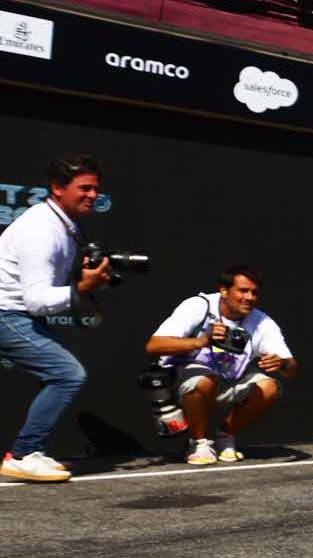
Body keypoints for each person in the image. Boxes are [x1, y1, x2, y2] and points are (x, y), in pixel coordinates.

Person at [0, 156, 117, 482]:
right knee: (67, 374)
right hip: (6, 313)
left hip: (15, 313)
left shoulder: (62, 224)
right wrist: (82, 288)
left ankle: (32, 451)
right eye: (84, 188)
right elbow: (37, 300)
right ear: (57, 188)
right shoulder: (42, 231)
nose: (93, 195)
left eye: (96, 188)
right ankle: (23, 454)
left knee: (56, 375)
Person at [144, 265, 297, 464]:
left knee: (270, 387)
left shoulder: (262, 322)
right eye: (243, 291)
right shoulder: (199, 306)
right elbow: (153, 346)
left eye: (254, 292)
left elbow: (292, 370)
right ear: (223, 290)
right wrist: (201, 341)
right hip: (184, 381)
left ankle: (225, 437)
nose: (249, 298)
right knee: (204, 380)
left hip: (228, 381)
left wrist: (282, 364)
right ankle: (198, 442)